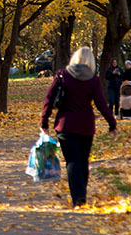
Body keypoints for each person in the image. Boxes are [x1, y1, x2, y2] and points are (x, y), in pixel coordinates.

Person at [41, 47, 117, 208]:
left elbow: (49, 98)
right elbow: (101, 104)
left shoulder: (62, 75)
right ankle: (81, 195)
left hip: (65, 125)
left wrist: (44, 122)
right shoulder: (93, 80)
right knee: (83, 161)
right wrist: (112, 124)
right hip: (86, 126)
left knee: (72, 161)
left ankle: (78, 198)